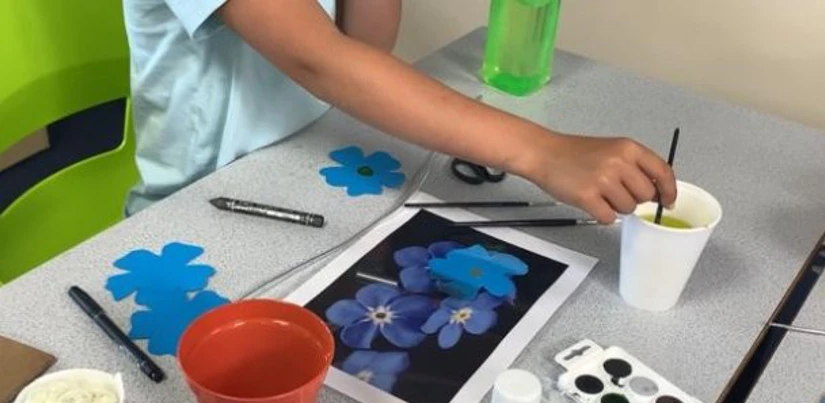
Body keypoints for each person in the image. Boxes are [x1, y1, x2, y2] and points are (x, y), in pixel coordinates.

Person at [122, 0, 676, 221]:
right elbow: (323, 62)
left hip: (312, 162)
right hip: (204, 201)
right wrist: (544, 151)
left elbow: (368, 39)